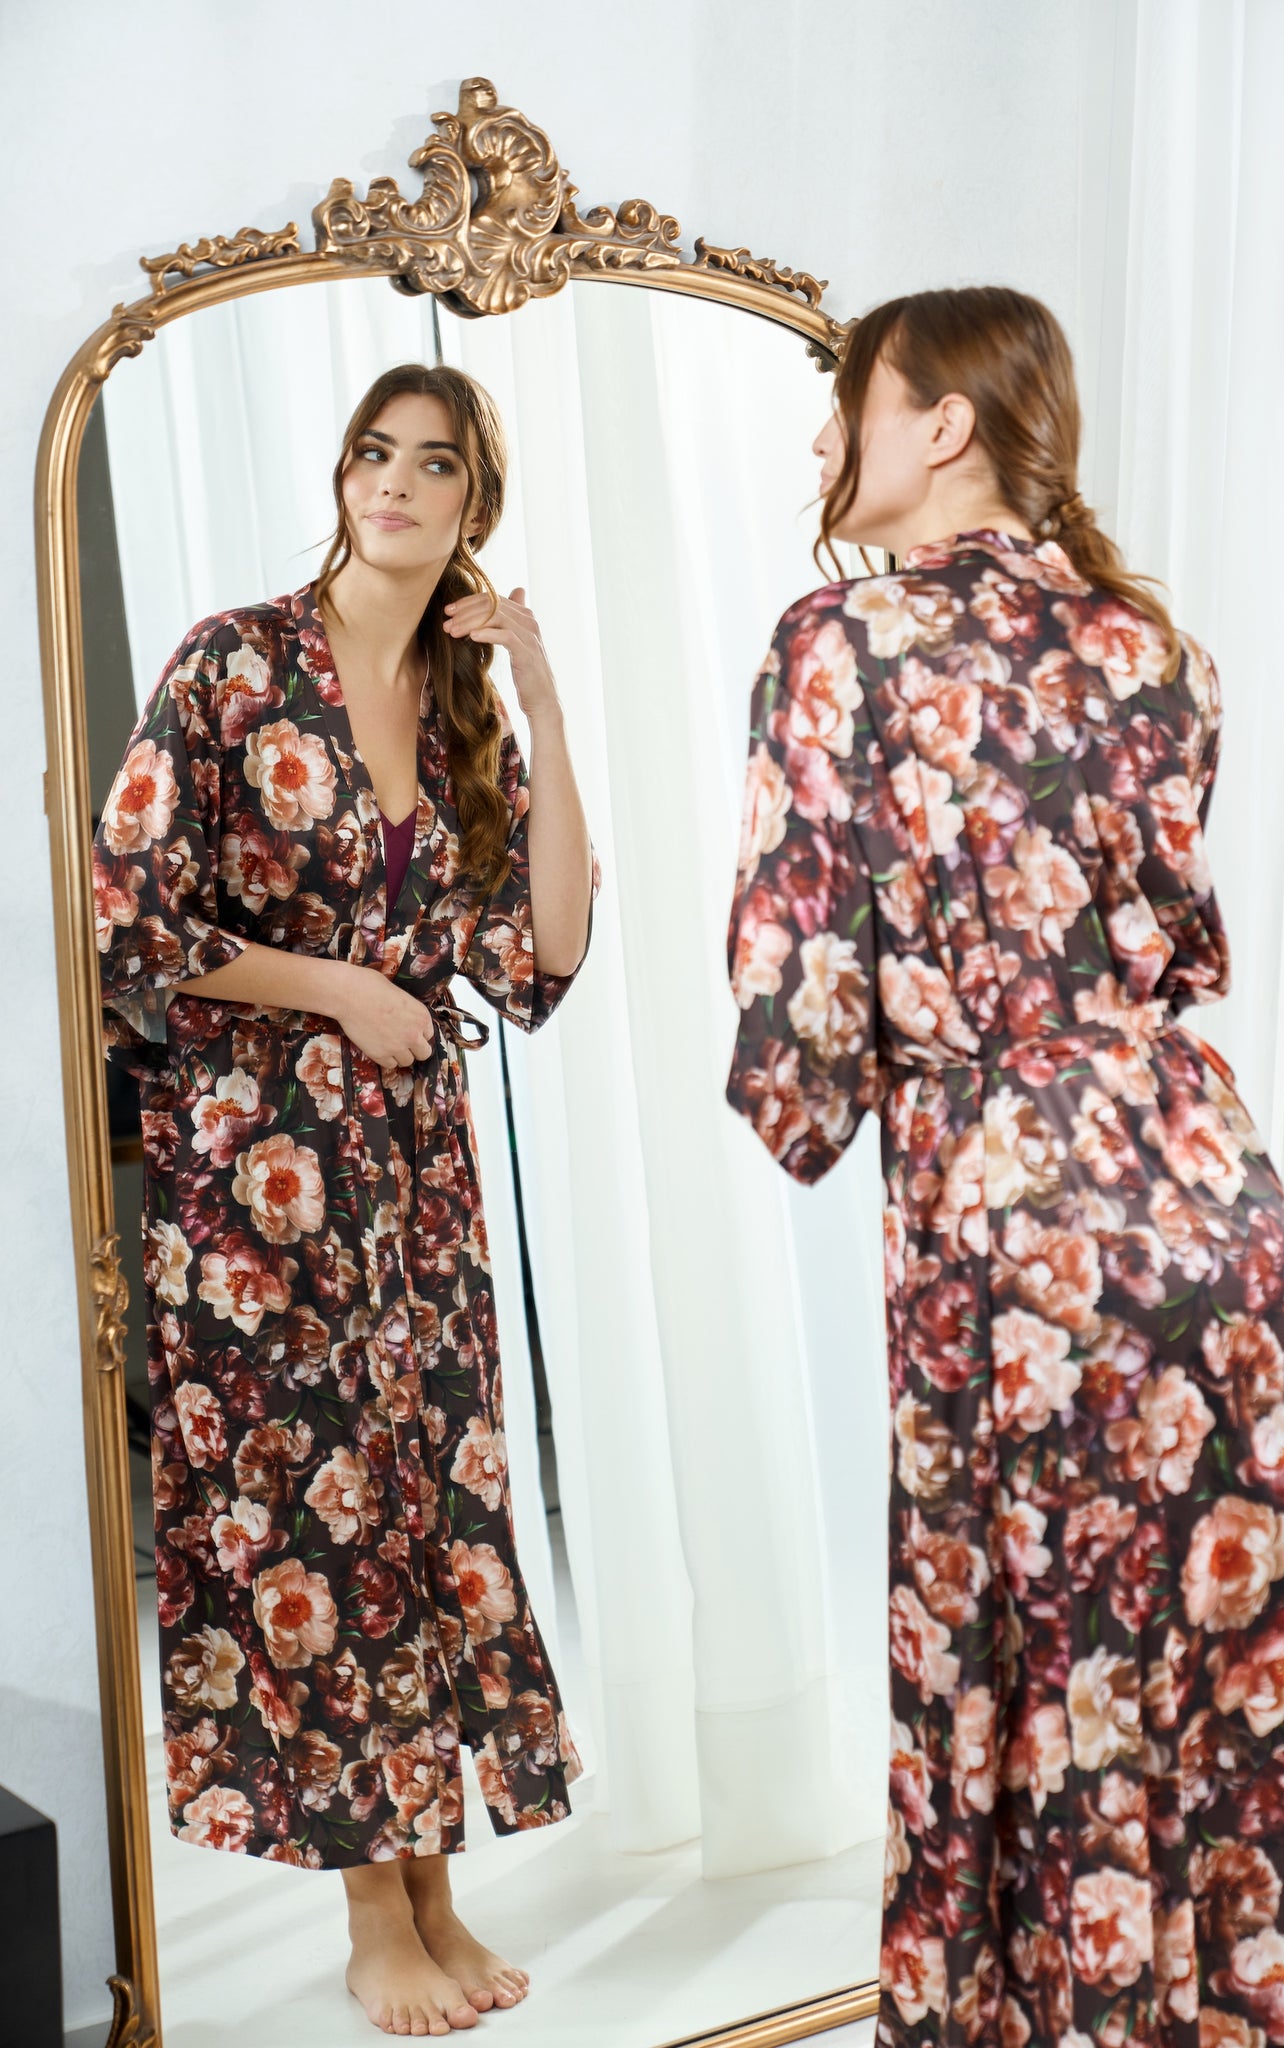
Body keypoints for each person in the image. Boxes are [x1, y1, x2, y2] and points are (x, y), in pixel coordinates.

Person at [725, 289, 1284, 2048]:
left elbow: (797, 974)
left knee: (1027, 1643)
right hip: (1208, 1182)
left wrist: (809, 1102)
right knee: (1204, 1642)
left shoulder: (840, 640)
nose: (825, 444)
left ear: (937, 427)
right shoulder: (1161, 647)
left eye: (851, 404)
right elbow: (1162, 926)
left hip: (1015, 1202)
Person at [93, 361, 596, 2037]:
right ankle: (372, 1912)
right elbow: (126, 917)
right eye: (371, 453)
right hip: (257, 1189)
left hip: (413, 1189)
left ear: (473, 506)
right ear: (342, 474)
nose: (391, 483)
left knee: (428, 1511)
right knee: (317, 1526)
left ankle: (441, 1883)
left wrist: (534, 693)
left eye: (431, 464)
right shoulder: (232, 662)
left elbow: (550, 954)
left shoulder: (461, 710)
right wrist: (332, 989)